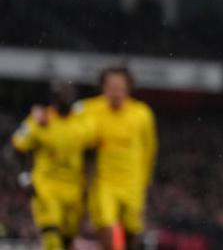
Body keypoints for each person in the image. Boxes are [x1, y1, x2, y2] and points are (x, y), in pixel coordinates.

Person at [74, 67, 157, 250]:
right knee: (106, 226)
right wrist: (44, 114)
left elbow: (149, 149)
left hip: (132, 182)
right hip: (103, 181)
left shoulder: (142, 114)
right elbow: (63, 116)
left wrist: (145, 180)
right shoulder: (88, 109)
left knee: (132, 232)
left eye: (120, 87)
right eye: (111, 87)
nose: (116, 92)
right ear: (103, 88)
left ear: (128, 88)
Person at [10, 82, 93, 250]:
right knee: (51, 235)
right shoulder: (39, 120)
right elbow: (17, 147)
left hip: (74, 188)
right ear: (53, 98)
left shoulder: (83, 122)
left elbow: (92, 153)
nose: (65, 98)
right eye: (60, 94)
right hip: (46, 185)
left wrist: (90, 182)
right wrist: (24, 177)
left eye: (68, 93)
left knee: (67, 240)